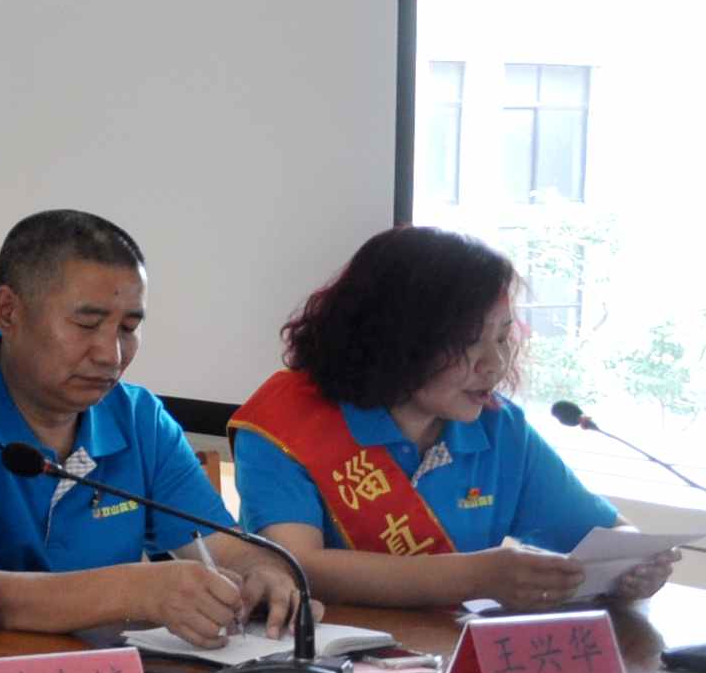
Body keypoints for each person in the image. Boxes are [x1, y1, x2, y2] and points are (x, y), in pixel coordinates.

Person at [0, 210, 296, 646]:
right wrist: (135, 590)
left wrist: (263, 574)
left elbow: (224, 550)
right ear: (8, 312)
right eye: (87, 324)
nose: (111, 354)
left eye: (128, 328)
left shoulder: (140, 419)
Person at [232, 226, 674, 611]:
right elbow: (296, 565)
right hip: (325, 661)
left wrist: (635, 568)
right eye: (468, 342)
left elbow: (606, 534)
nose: (495, 364)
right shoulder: (285, 421)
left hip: (453, 661)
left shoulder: (498, 427)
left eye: (503, 337)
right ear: (393, 339)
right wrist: (475, 576)